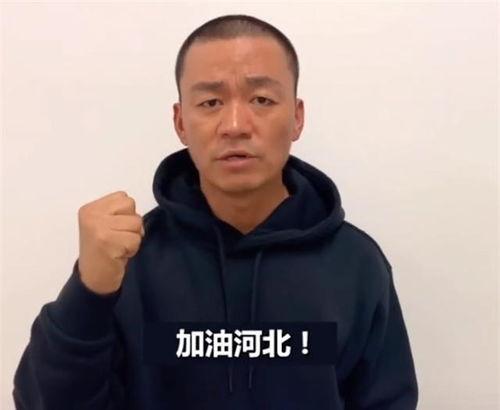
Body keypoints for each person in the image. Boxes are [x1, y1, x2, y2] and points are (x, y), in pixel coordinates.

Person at [12, 14, 418, 410]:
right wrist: (89, 291)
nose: (235, 125)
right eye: (210, 102)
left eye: (261, 99)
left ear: (297, 117)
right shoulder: (129, 260)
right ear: (180, 122)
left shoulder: (356, 264)